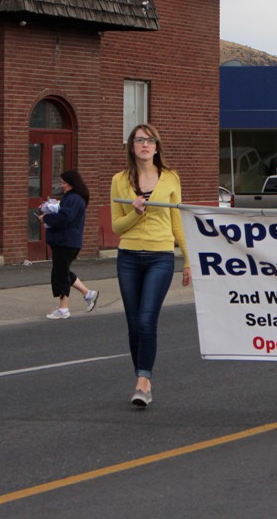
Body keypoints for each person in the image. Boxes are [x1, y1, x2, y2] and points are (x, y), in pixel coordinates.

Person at [111, 124, 192, 408]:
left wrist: (187, 260)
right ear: (132, 146)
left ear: (156, 147)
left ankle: (143, 382)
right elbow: (117, 225)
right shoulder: (119, 180)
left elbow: (177, 221)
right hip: (129, 257)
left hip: (160, 255)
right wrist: (134, 212)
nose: (145, 144)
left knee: (146, 320)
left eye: (150, 140)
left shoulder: (170, 178)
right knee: (134, 324)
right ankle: (141, 376)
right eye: (139, 140)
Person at [38, 170, 100, 320]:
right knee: (63, 271)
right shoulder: (73, 198)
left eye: (64, 183)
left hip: (66, 241)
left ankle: (63, 308)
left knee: (61, 275)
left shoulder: (73, 199)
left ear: (72, 183)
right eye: (62, 182)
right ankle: (88, 293)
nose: (62, 185)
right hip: (67, 241)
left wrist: (46, 217)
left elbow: (64, 218)